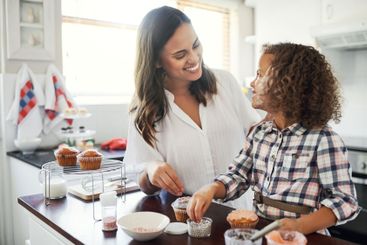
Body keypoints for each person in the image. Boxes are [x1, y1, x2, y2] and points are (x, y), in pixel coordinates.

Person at [186, 43, 361, 235]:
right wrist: (210, 189)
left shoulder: (322, 140)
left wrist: (301, 226)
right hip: (262, 231)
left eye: (260, 75)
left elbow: (346, 201)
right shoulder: (259, 133)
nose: (253, 83)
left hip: (305, 237)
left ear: (286, 85)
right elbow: (238, 176)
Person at [123, 6, 260, 208]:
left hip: (245, 213)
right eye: (180, 55)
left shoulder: (225, 83)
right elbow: (143, 182)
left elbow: (258, 133)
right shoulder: (144, 107)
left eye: (196, 45)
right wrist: (152, 170)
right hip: (190, 220)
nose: (194, 58)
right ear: (156, 61)